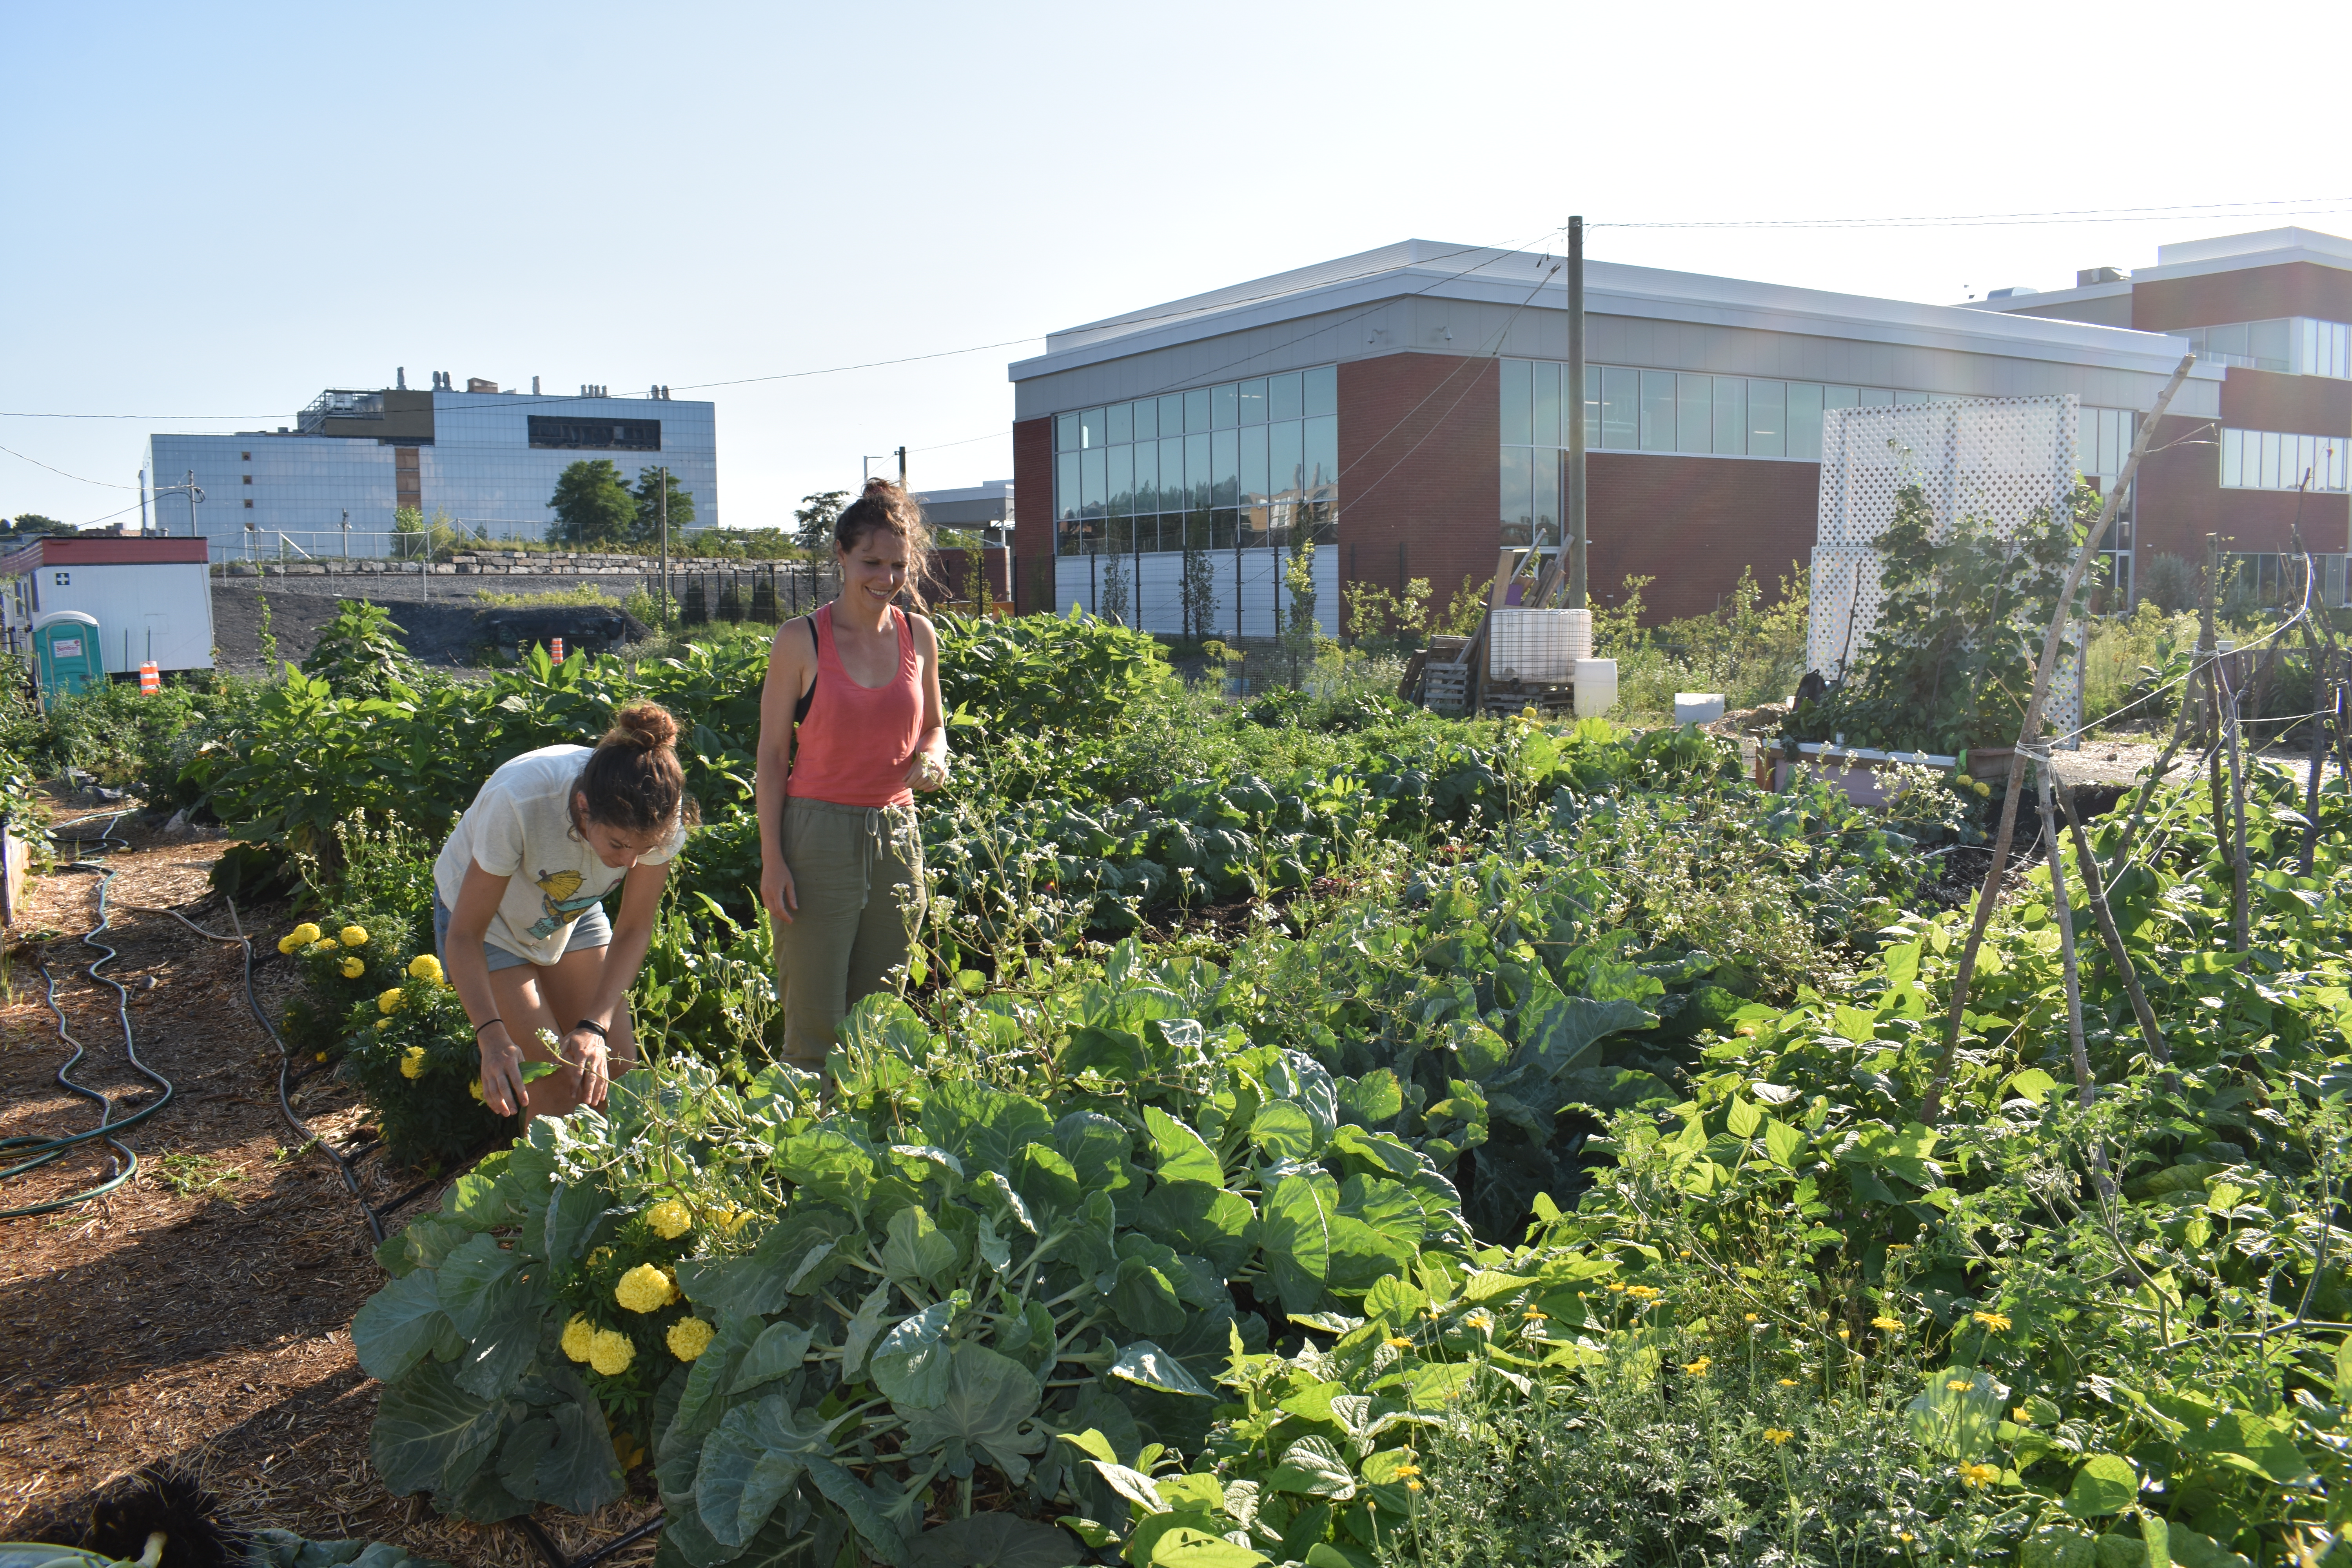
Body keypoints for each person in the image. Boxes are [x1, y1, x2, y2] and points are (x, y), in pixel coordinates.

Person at [755, 478, 950, 1071]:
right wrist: (773, 859)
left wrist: (936, 757)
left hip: (897, 834)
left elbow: (936, 726)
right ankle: (800, 1155)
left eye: (898, 565)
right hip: (817, 837)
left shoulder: (920, 634)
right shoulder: (801, 640)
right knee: (813, 1025)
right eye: (871, 562)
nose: (886, 578)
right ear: (840, 555)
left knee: (879, 1020)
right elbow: (769, 756)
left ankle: (866, 1152)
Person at [434, 702, 697, 1119]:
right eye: (617, 845)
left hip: (568, 912)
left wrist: (594, 1026)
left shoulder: (661, 812)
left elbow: (633, 928)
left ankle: (621, 1184)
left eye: (643, 850)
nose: (631, 863)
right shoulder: (520, 800)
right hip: (490, 923)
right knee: (555, 1089)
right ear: (583, 807)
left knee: (621, 1082)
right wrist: (492, 1036)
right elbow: (464, 934)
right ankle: (546, 1181)